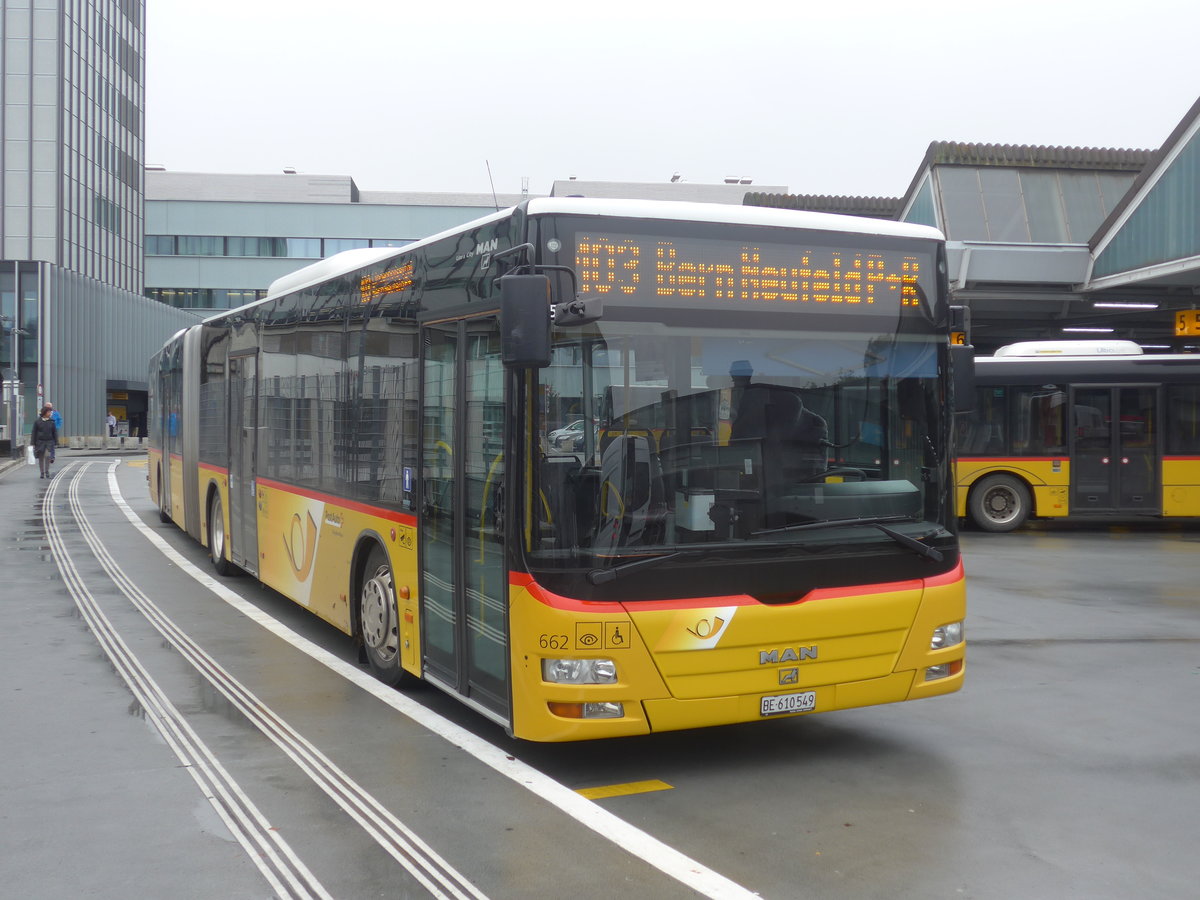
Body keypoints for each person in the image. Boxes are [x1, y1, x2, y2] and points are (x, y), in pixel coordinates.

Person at [31, 404, 58, 479]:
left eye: (50, 412)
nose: (50, 414)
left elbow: (54, 432)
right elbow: (34, 432)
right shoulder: (37, 422)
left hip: (49, 442)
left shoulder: (51, 421)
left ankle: (47, 471)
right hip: (40, 442)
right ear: (44, 412)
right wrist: (32, 443)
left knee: (47, 456)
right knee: (41, 457)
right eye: (49, 412)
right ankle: (42, 472)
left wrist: (56, 442)